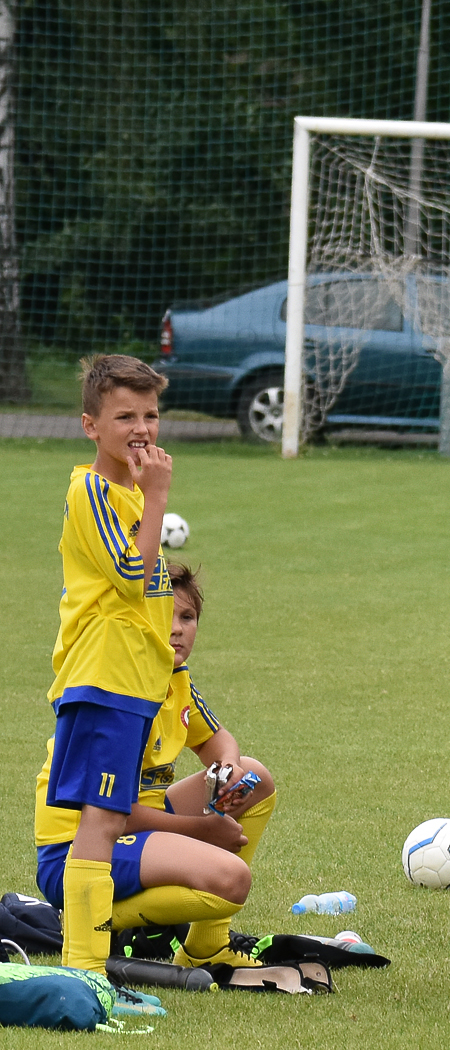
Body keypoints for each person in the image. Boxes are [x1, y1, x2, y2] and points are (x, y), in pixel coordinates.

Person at [35, 563, 278, 969]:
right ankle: (88, 919)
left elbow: (217, 740)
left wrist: (228, 769)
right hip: (80, 849)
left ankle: (207, 948)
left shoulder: (172, 677)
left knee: (256, 778)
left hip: (136, 819)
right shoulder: (125, 691)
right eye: (166, 615)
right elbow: (109, 817)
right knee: (231, 880)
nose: (178, 628)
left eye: (188, 617)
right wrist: (205, 830)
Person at [44, 355, 178, 1016]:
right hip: (101, 679)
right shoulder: (91, 490)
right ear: (91, 425)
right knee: (98, 823)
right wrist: (157, 498)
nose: (142, 428)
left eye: (151, 414)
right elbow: (130, 575)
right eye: (125, 416)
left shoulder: (129, 494)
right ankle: (85, 973)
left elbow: (151, 600)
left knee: (106, 818)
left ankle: (90, 970)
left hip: (131, 688)